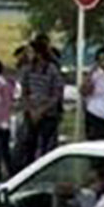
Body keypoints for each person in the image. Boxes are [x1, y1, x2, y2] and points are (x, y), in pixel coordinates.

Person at [16, 35, 64, 169]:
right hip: (31, 112)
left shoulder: (52, 70)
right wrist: (30, 109)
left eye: (31, 52)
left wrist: (41, 110)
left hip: (47, 114)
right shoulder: (27, 70)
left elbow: (56, 95)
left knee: (45, 146)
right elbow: (24, 91)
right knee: (27, 145)